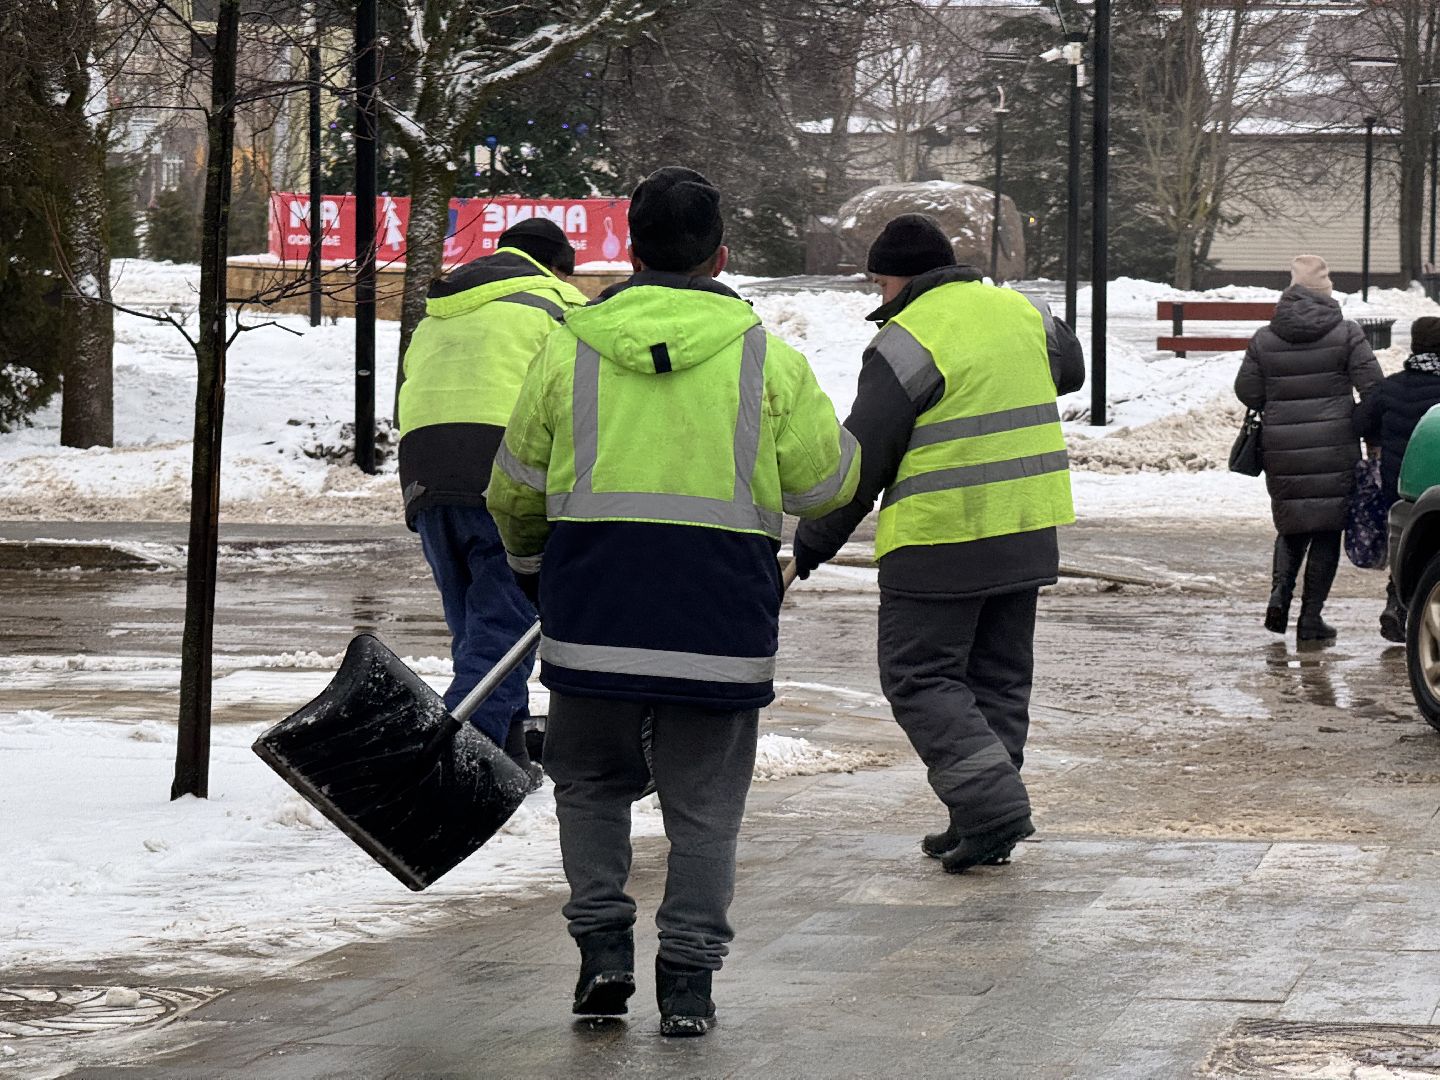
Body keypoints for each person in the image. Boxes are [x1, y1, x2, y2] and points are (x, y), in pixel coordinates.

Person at [486, 167, 859, 1036]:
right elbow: (825, 484)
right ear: (720, 256)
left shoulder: (570, 347)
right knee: (705, 805)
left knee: (587, 784)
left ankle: (602, 951)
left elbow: (513, 488)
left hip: (594, 616)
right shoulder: (767, 358)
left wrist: (537, 573)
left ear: (632, 250)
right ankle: (688, 978)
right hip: (719, 623)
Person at [791, 213, 1085, 874]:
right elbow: (1072, 371)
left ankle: (990, 807)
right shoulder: (1023, 314)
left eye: (878, 282)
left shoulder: (905, 341)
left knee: (919, 675)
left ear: (894, 278)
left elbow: (859, 462)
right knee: (998, 681)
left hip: (941, 538)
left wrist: (812, 542)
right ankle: (981, 819)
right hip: (1026, 528)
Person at [395, 219, 587, 782]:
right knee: (506, 622)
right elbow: (579, 392)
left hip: (425, 469)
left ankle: (508, 755)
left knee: (479, 628)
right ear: (559, 267)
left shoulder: (445, 303)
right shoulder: (558, 302)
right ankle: (457, 764)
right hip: (502, 463)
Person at [1236, 254, 1382, 642]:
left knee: (1291, 525)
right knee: (1326, 531)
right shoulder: (1347, 333)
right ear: (1327, 292)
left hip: (1282, 446)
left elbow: (1247, 392)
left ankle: (1279, 594)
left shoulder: (1265, 338)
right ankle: (1311, 618)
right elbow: (1372, 388)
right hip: (1334, 447)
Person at [1354, 316, 1440, 641]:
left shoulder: (1390, 387)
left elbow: (1359, 422)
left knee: (1406, 541)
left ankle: (1396, 603)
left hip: (1397, 485)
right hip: (1435, 480)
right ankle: (1412, 609)